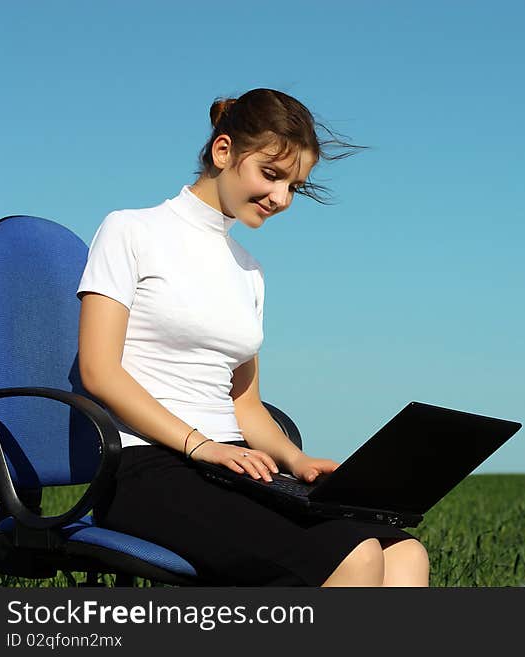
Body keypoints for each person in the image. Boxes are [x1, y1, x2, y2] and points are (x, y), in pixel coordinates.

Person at [76, 88, 429, 587]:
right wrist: (202, 447)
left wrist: (299, 462)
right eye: (271, 174)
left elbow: (246, 407)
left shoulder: (250, 270)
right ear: (224, 152)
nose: (281, 198)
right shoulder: (130, 232)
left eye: (295, 187)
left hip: (233, 466)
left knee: (406, 553)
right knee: (355, 558)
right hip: (145, 468)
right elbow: (99, 371)